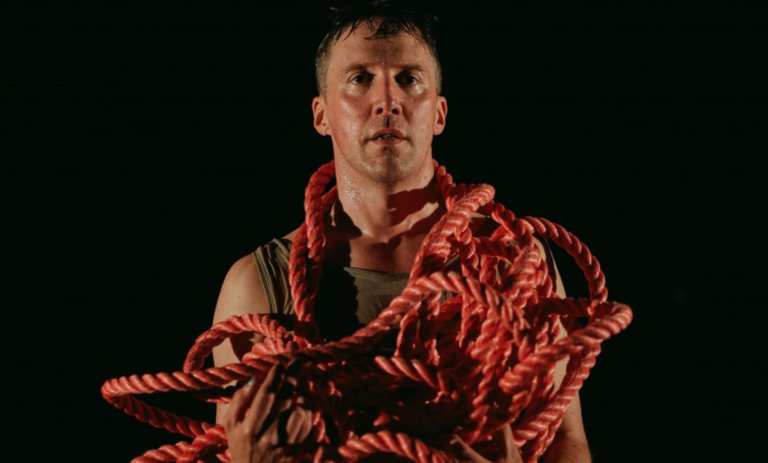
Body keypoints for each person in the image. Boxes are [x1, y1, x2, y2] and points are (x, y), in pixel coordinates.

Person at [212, 2, 592, 462]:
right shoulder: (258, 285)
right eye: (360, 78)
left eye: (409, 79)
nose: (387, 101)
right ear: (321, 115)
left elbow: (566, 441)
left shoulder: (511, 260)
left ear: (439, 113)